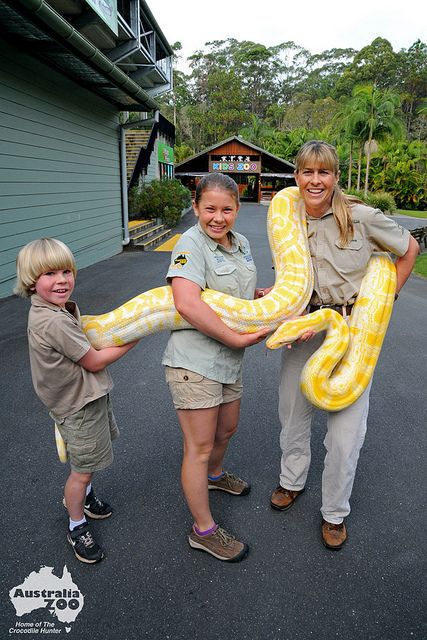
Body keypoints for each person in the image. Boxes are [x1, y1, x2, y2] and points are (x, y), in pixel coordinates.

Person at [270, 140, 419, 549]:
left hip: (353, 331)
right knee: (292, 415)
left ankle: (334, 512)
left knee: (345, 434)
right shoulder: (288, 216)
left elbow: (410, 250)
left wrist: (385, 302)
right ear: (296, 177)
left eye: (323, 173)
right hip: (306, 326)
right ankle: (291, 481)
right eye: (307, 172)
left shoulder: (362, 217)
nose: (315, 181)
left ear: (336, 177)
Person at [162, 173, 269, 562]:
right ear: (196, 208)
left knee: (228, 429)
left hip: (229, 360)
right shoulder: (190, 244)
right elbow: (187, 302)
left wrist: (258, 297)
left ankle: (215, 476)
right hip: (195, 362)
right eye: (209, 209)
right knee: (199, 446)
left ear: (237, 211)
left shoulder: (240, 244)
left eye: (226, 209)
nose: (218, 217)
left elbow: (231, 296)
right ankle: (203, 531)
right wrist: (237, 338)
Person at [15, 238, 138, 564]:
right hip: (78, 405)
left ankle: (84, 497)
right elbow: (94, 361)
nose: (62, 280)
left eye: (67, 271)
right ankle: (76, 524)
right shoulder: (53, 321)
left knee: (90, 460)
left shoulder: (53, 309)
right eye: (49, 274)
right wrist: (135, 335)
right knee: (82, 470)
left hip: (84, 397)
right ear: (31, 281)